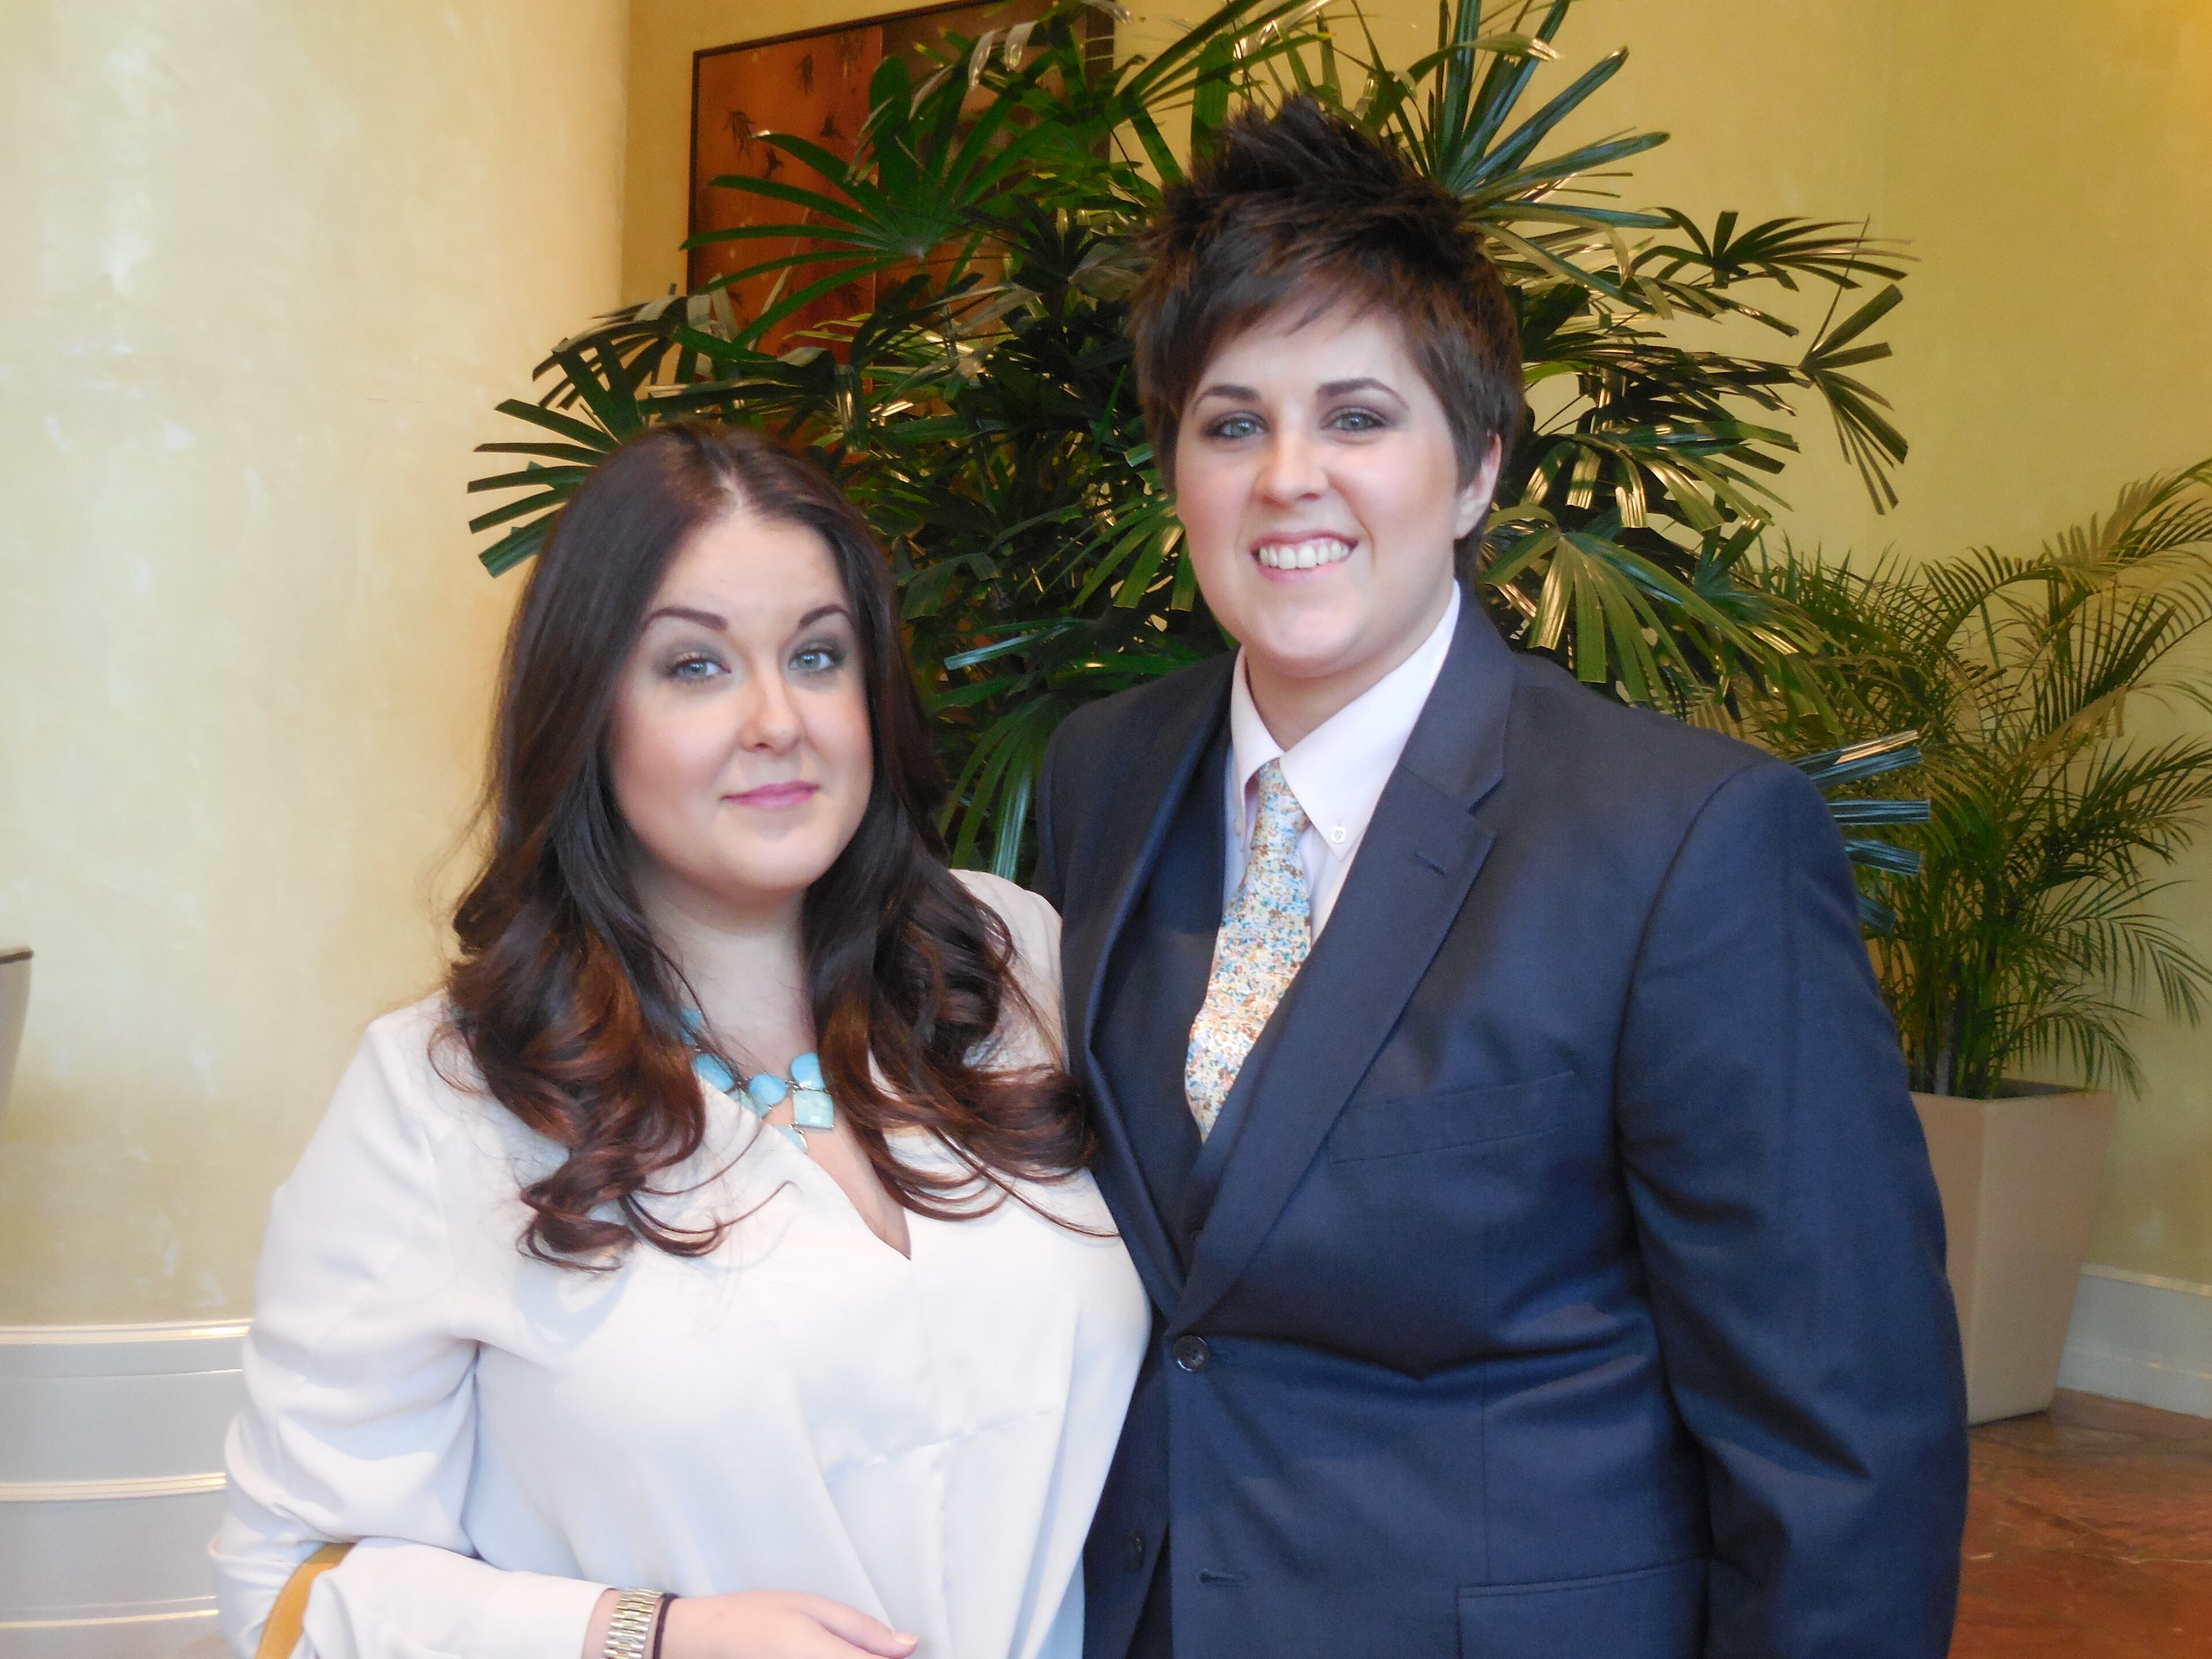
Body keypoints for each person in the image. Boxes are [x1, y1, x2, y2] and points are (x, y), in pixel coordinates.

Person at [1031, 99, 1969, 1659]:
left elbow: (1841, 1445)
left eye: (1357, 417)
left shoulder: (1685, 841)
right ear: (1176, 469)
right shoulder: (1102, 774)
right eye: (1233, 422)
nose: (1289, 480)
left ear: (1474, 470)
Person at [214, 423, 1149, 1659]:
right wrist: (646, 1637)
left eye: (818, 656)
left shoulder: (1013, 964)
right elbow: (285, 1591)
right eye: (696, 669)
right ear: (587, 712)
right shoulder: (443, 1096)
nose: (777, 720)